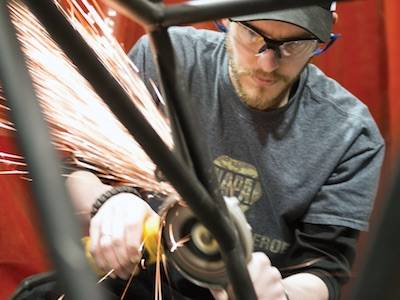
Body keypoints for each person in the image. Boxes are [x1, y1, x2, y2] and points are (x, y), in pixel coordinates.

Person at [67, 2, 385, 300]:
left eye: (294, 44)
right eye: (252, 34)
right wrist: (108, 202)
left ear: (328, 28)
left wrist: (281, 294)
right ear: (225, 18)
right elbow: (76, 175)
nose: (267, 63)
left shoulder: (350, 135)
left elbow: (323, 268)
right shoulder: (164, 58)